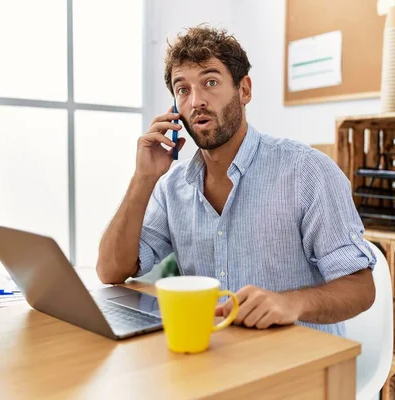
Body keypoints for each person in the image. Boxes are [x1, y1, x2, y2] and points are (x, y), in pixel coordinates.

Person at [96, 25, 376, 336]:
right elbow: (111, 270)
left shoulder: (306, 171)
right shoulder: (172, 186)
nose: (196, 101)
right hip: (215, 353)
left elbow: (361, 288)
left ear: (244, 90)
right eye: (183, 89)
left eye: (210, 82)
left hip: (298, 365)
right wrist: (143, 178)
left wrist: (290, 304)